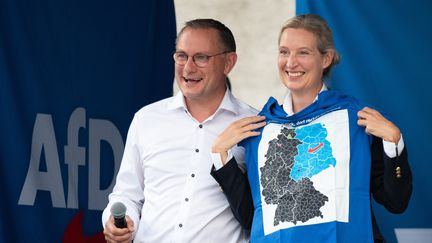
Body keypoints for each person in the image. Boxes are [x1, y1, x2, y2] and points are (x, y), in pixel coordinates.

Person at [211, 14, 412, 242]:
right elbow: (253, 217)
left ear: (326, 59)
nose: (291, 62)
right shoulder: (262, 128)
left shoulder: (355, 119)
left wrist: (394, 143)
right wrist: (221, 158)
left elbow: (396, 202)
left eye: (303, 52)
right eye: (284, 51)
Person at [101, 18, 257, 243]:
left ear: (228, 62)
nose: (188, 67)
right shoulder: (146, 119)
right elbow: (128, 194)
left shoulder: (253, 125)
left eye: (201, 57)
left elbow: (259, 213)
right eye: (181, 56)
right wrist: (120, 221)